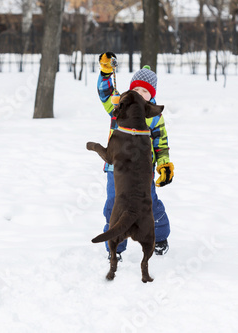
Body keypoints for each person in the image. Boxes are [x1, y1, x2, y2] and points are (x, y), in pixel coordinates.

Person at [96, 51, 174, 260]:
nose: (140, 94)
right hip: (117, 169)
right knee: (114, 205)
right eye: (136, 89)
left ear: (152, 95)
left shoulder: (154, 116)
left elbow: (161, 144)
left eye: (145, 92)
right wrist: (105, 72)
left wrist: (164, 165)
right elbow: (105, 93)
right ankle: (115, 249)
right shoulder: (119, 106)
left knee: (149, 205)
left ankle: (161, 236)